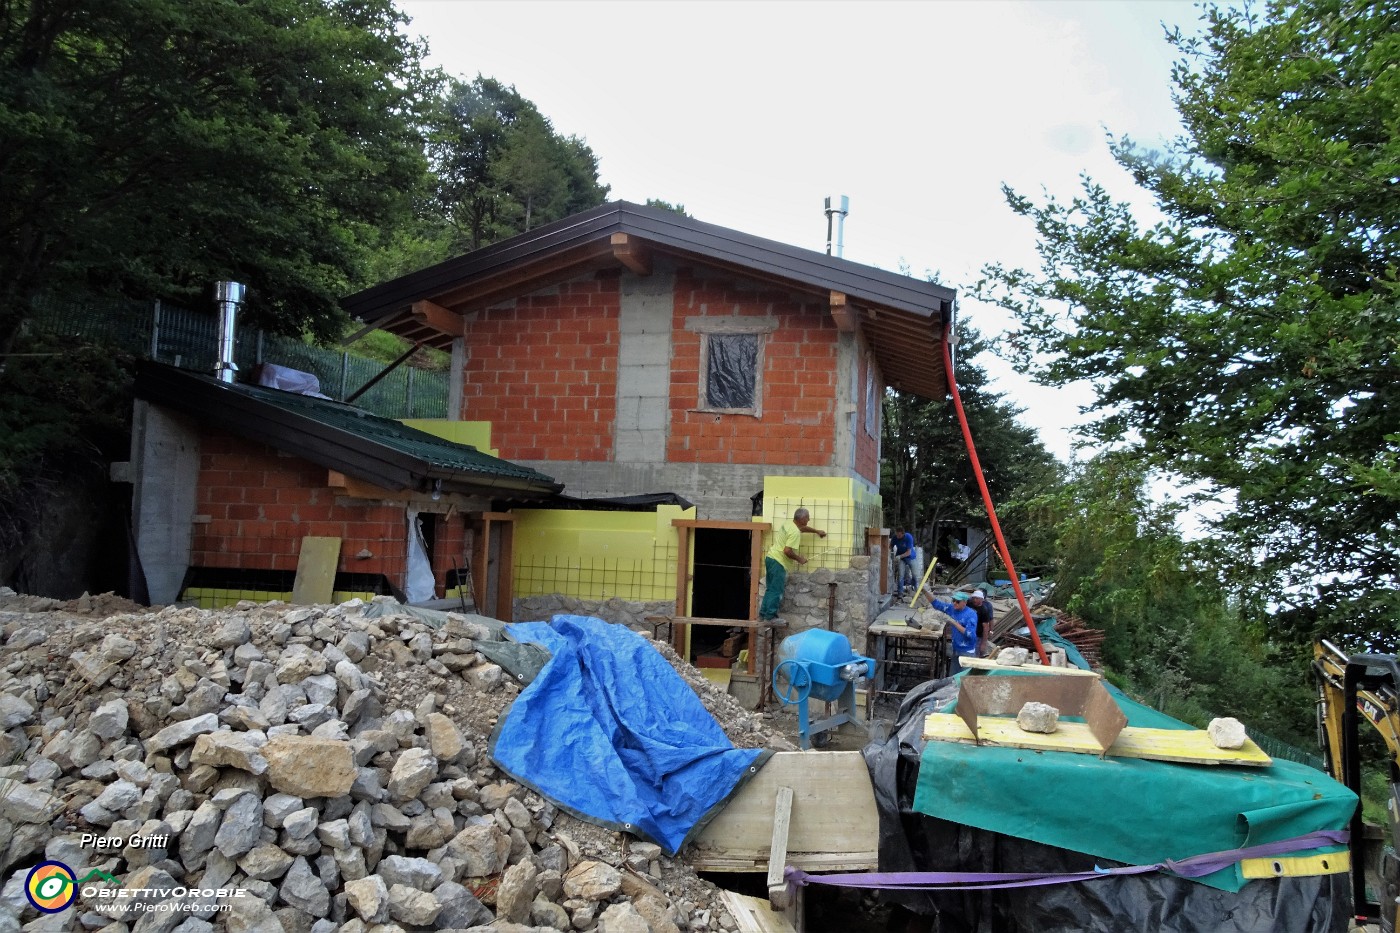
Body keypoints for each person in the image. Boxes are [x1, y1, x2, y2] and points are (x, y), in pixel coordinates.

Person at [759, 508, 827, 621]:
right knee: (776, 590)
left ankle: (763, 615)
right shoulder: (795, 533)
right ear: (801, 519)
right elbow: (787, 551)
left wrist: (816, 531)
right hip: (779, 563)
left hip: (770, 558)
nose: (809, 519)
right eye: (807, 518)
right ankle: (770, 617)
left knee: (770, 589)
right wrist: (799, 559)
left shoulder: (788, 523)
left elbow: (802, 528)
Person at [931, 590, 979, 670]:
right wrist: (924, 592)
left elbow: (970, 634)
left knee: (964, 678)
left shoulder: (971, 614)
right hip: (956, 649)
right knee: (953, 677)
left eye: (957, 601)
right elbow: (937, 604)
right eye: (953, 601)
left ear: (964, 602)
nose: (954, 603)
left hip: (967, 652)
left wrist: (953, 622)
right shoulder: (952, 608)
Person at [968, 587, 995, 656]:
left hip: (978, 636)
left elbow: (986, 626)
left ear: (982, 599)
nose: (974, 600)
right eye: (974, 598)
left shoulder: (984, 609)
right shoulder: (969, 603)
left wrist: (984, 643)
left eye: (977, 598)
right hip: (968, 633)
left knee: (975, 654)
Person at [892, 527, 916, 597]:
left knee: (914, 574)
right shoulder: (895, 537)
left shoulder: (908, 537)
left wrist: (899, 556)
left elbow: (908, 552)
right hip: (901, 559)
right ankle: (900, 593)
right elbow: (890, 546)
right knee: (900, 575)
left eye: (899, 535)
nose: (898, 537)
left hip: (910, 557)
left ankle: (915, 590)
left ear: (903, 534)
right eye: (897, 535)